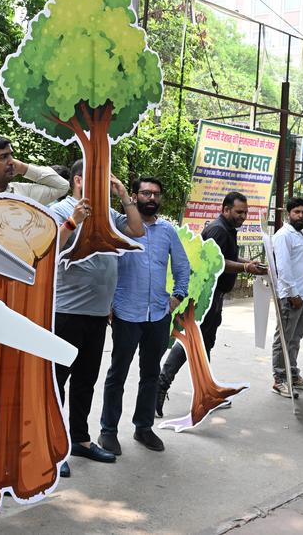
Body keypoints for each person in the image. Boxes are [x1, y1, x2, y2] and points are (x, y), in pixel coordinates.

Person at [49, 162, 144, 477]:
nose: (105, 185)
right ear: (79, 180)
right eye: (99, 180)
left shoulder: (109, 216)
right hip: (65, 313)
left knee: (85, 381)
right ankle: (52, 446)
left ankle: (80, 439)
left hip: (97, 314)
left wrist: (122, 195)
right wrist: (74, 221)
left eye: (108, 180)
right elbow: (48, 250)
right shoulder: (60, 209)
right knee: (55, 383)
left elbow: (136, 230)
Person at [98, 177, 189, 455]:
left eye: (156, 194)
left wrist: (178, 296)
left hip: (158, 314)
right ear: (135, 196)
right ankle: (108, 431)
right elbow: (106, 263)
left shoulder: (168, 231)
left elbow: (182, 264)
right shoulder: (121, 226)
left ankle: (143, 427)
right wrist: (110, 301)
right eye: (146, 193)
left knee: (150, 374)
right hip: (126, 311)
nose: (151, 197)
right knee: (118, 373)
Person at [158, 191, 266, 410]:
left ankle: (207, 391)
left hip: (215, 297)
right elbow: (217, 263)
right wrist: (246, 267)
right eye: (239, 212)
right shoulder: (219, 229)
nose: (243, 216)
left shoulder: (228, 229)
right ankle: (160, 386)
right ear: (225, 210)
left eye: (245, 212)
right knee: (191, 343)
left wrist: (251, 265)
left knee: (205, 343)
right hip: (207, 296)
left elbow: (230, 257)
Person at [271, 197, 303, 396]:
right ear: (289, 213)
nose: (301, 216)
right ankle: (279, 379)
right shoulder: (283, 236)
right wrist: (294, 294)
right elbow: (284, 269)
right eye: (297, 212)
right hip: (291, 296)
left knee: (295, 338)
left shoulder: (301, 233)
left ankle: (293, 374)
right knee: (284, 339)